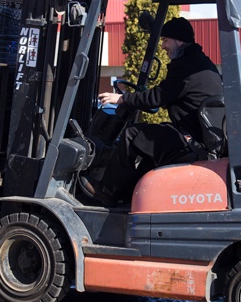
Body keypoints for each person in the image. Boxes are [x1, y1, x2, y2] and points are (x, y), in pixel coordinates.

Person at [80, 17, 223, 205]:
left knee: (132, 134)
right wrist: (141, 98)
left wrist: (122, 98)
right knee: (148, 146)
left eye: (165, 40)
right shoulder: (198, 61)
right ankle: (129, 195)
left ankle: (107, 191)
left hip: (191, 141)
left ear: (179, 40)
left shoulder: (187, 67)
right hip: (194, 135)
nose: (163, 46)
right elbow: (165, 95)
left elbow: (158, 97)